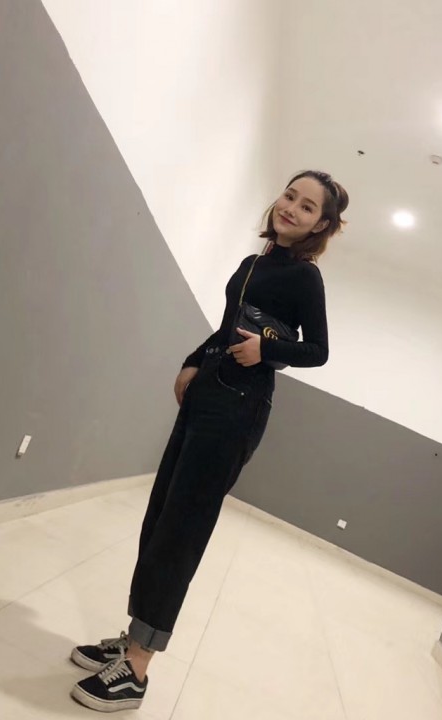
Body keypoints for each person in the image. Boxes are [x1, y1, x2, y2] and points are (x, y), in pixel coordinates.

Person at [69, 170, 349, 712]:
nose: (291, 208)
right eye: (290, 195)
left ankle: (138, 669)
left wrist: (267, 348)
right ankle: (133, 637)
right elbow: (224, 328)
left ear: (321, 225)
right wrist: (192, 362)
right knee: (160, 516)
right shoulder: (252, 264)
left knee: (183, 528)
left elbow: (317, 350)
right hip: (208, 393)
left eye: (307, 207)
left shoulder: (305, 277)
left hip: (240, 407)